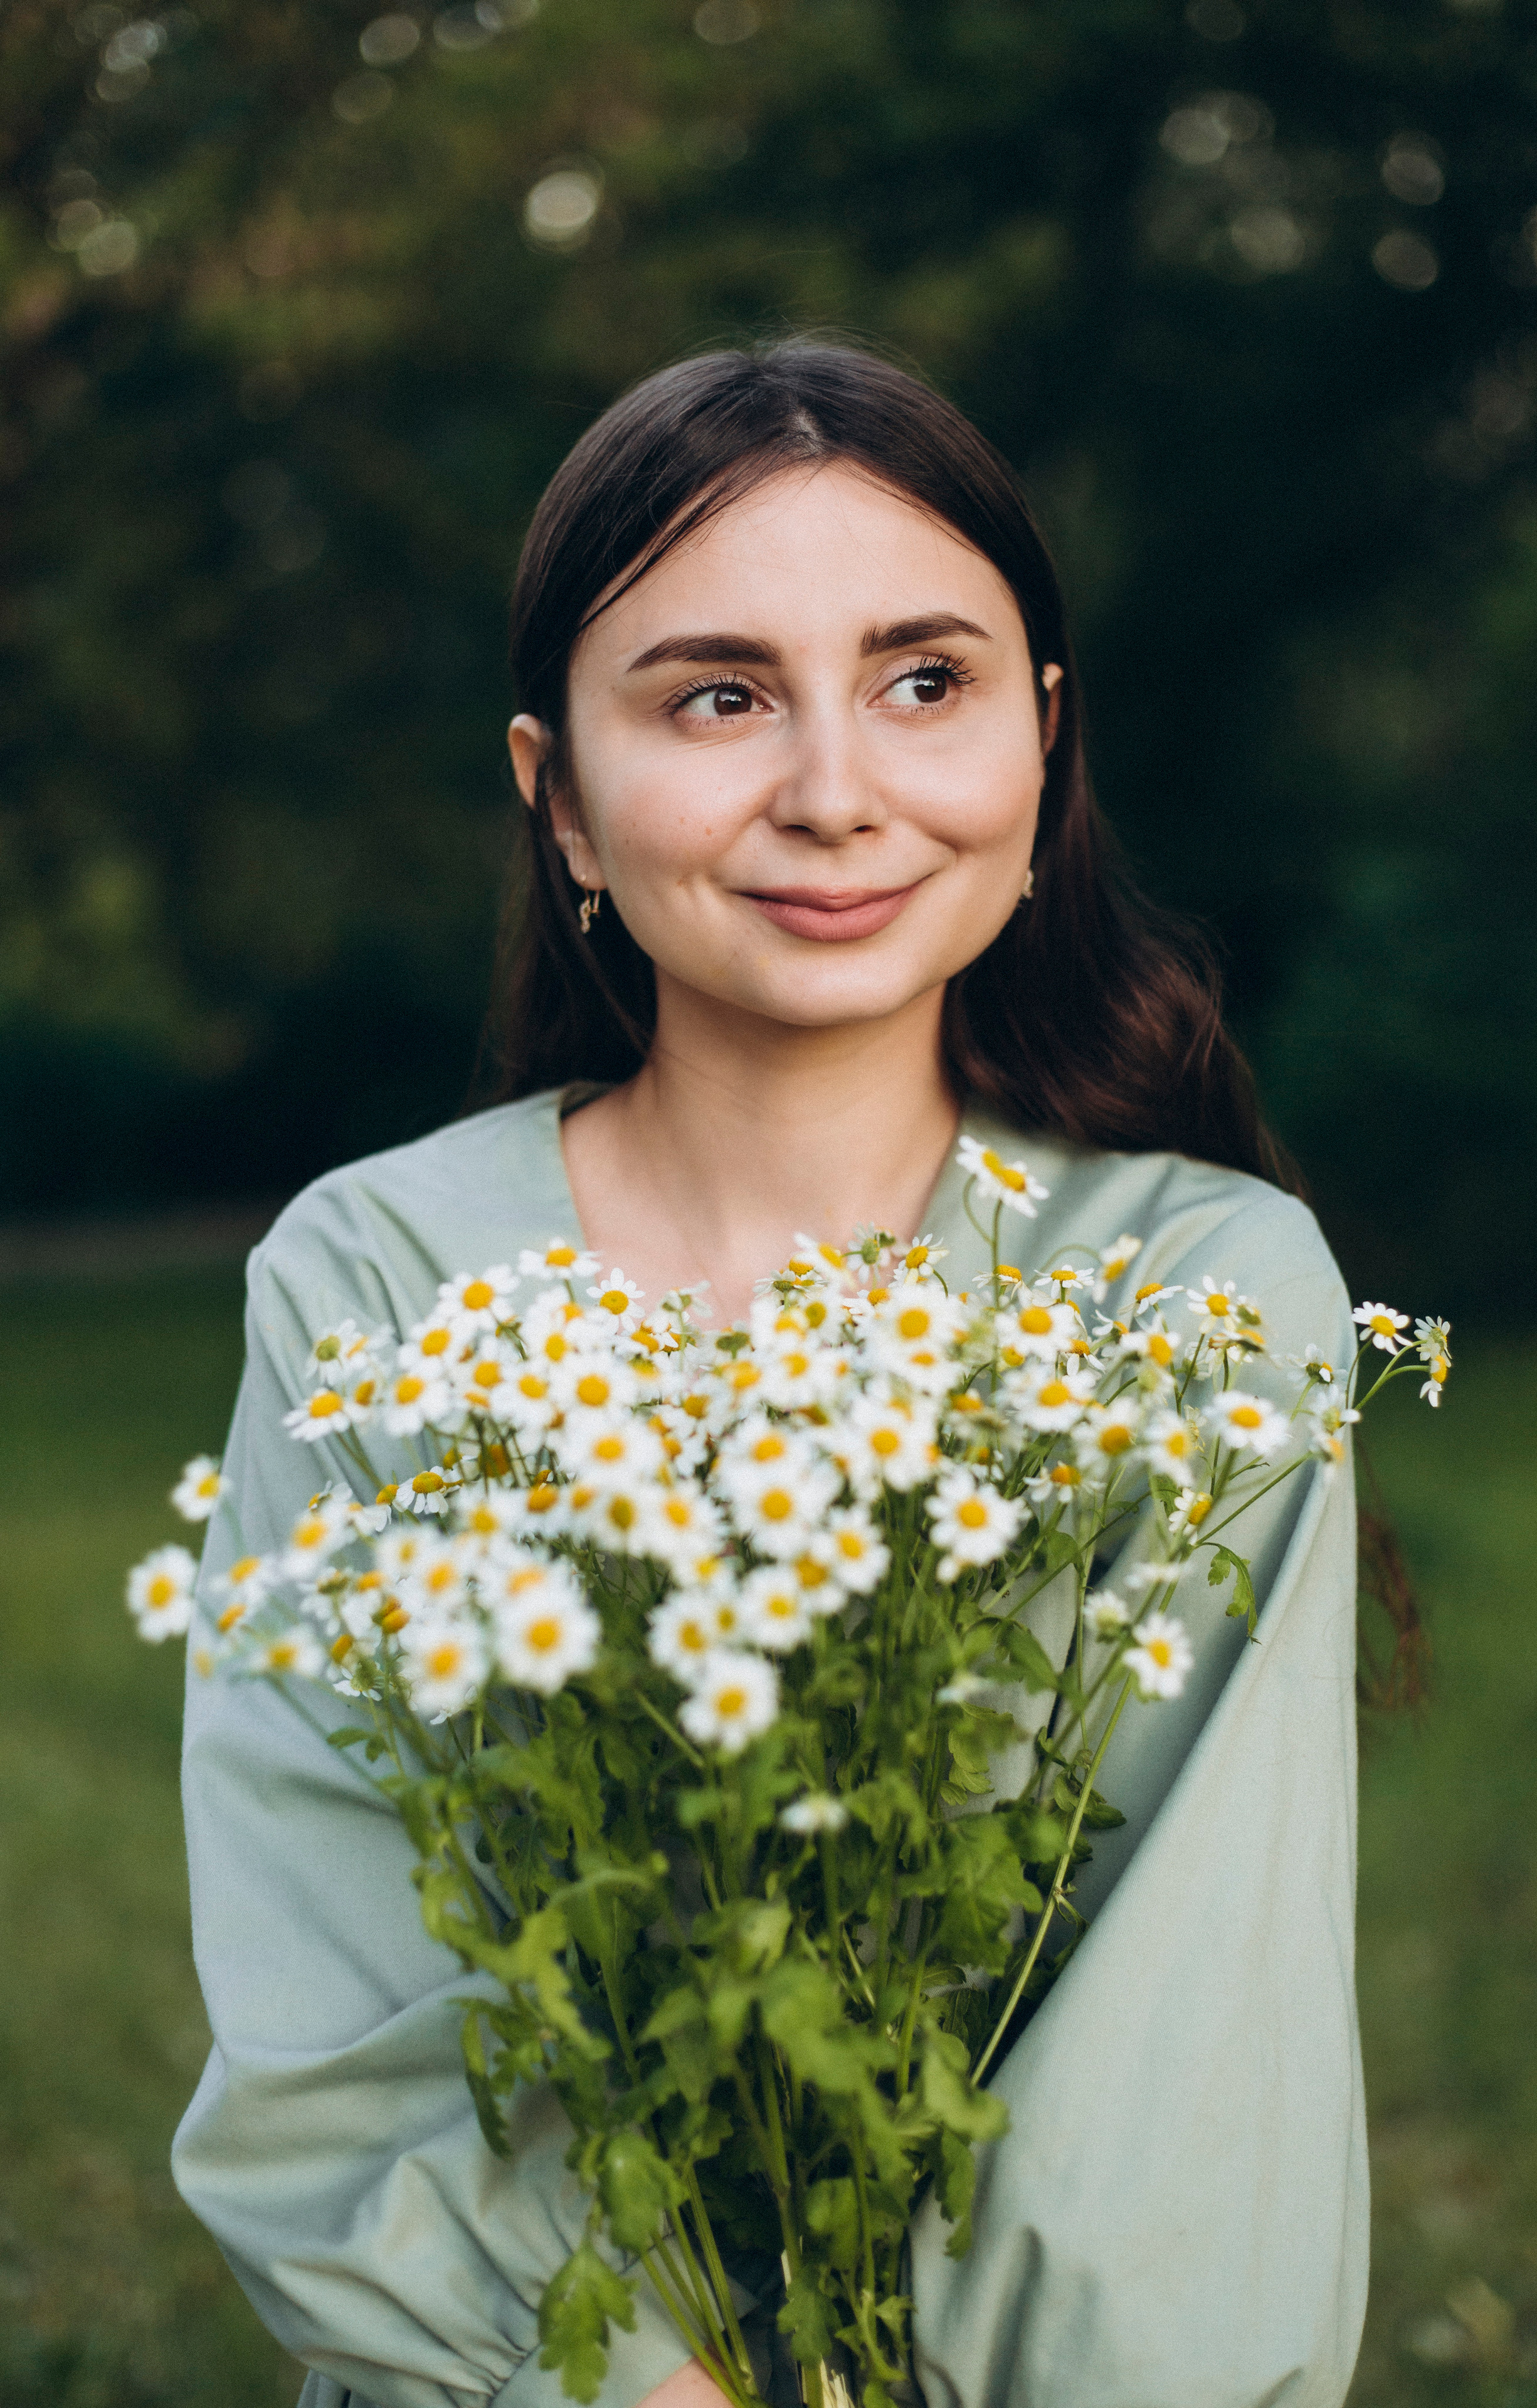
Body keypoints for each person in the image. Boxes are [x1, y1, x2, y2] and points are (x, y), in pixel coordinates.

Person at [174, 339, 1366, 2408]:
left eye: (926, 682)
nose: (836, 787)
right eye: (718, 696)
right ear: (559, 795)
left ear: (1043, 745)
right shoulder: (381, 1281)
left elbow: (1193, 2054)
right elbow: (344, 2005)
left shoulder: (1195, 1301)